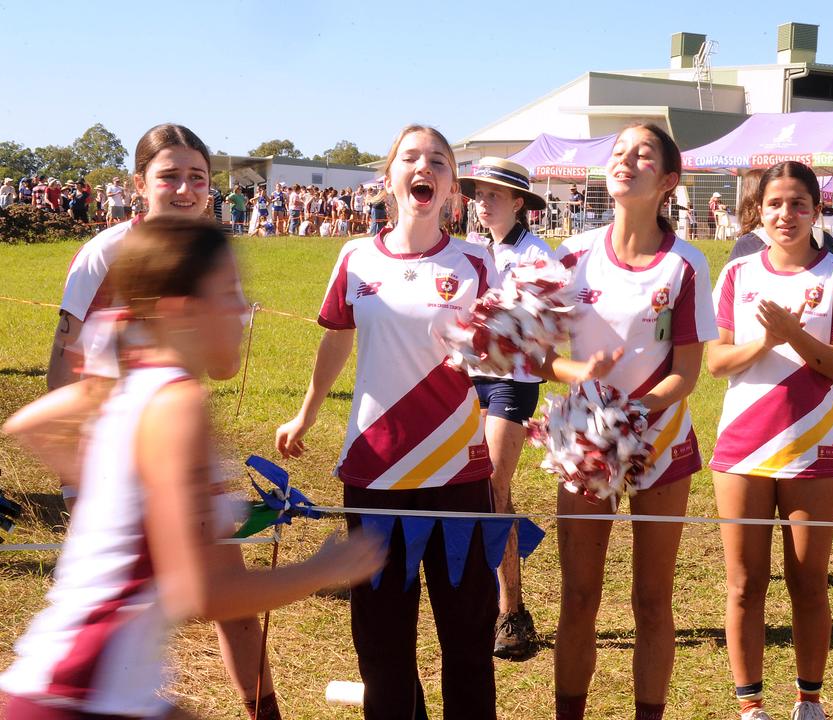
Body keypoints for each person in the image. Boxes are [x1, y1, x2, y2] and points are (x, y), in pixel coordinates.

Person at [1, 217, 383, 720]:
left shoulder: (134, 385)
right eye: (228, 292)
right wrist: (322, 569)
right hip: (74, 695)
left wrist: (119, 499)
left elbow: (29, 423)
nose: (243, 310)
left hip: (82, 691)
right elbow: (199, 592)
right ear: (182, 310)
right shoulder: (179, 403)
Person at [43, 124, 293, 720]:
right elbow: (60, 370)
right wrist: (96, 464)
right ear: (139, 185)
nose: (185, 189)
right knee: (123, 615)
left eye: (197, 177)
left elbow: (226, 368)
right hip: (117, 466)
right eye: (170, 176)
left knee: (230, 606)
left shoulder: (211, 255)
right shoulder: (104, 252)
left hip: (181, 451)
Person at [275, 125, 500, 720]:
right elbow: (337, 337)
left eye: (438, 161)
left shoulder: (479, 260)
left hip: (458, 476)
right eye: (411, 157)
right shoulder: (354, 257)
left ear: (452, 185)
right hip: (374, 474)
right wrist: (307, 411)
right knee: (380, 643)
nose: (423, 167)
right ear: (390, 178)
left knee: (468, 638)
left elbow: (508, 352)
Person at [541, 123, 716, 720]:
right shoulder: (570, 256)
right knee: (580, 597)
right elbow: (542, 355)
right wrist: (579, 378)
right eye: (618, 151)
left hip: (660, 445)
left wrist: (632, 416)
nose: (626, 159)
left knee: (652, 601)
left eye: (643, 154)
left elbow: (687, 373)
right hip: (583, 444)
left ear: (668, 181)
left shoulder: (687, 265)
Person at [707, 161, 833, 720]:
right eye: (776, 203)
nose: (786, 214)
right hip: (741, 451)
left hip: (813, 449)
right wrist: (765, 342)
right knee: (744, 586)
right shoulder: (736, 274)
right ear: (759, 210)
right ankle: (750, 706)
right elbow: (716, 361)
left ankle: (809, 701)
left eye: (798, 204)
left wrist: (793, 334)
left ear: (816, 210)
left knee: (809, 582)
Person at [458, 157, 553, 661]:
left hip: (512, 383)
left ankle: (510, 612)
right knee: (485, 488)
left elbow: (544, 320)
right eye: (478, 194)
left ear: (519, 203)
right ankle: (495, 599)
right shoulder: (472, 252)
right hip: (470, 379)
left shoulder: (537, 254)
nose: (483, 202)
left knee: (494, 484)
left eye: (494, 195)